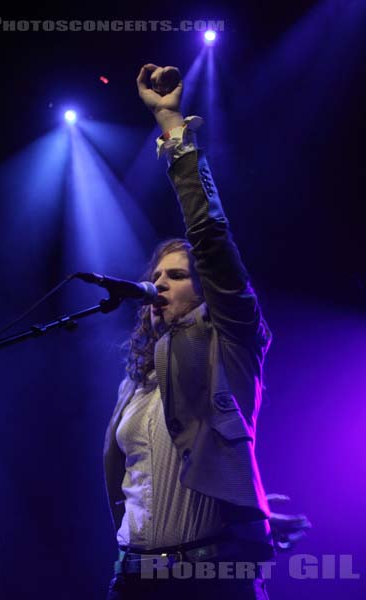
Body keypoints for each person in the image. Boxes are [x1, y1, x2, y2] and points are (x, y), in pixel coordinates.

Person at [103, 63, 309, 600]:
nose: (158, 285)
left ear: (206, 289)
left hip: (207, 580)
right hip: (131, 578)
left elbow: (211, 239)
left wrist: (174, 133)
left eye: (176, 276)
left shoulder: (232, 342)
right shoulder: (135, 384)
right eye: (154, 277)